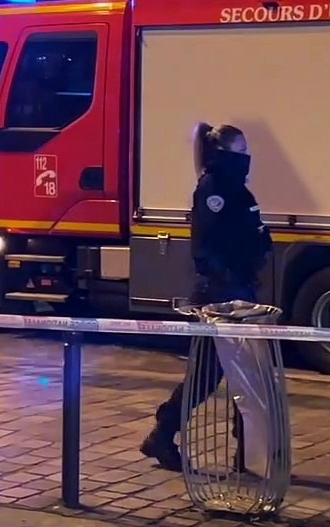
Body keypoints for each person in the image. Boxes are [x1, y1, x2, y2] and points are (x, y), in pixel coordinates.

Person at [141, 122, 273, 471]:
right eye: (241, 150)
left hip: (240, 293)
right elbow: (204, 247)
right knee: (206, 378)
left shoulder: (238, 191)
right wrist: (227, 281)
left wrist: (260, 249)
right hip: (219, 296)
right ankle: (163, 434)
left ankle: (247, 453)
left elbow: (251, 233)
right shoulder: (212, 189)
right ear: (226, 153)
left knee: (247, 377)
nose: (247, 156)